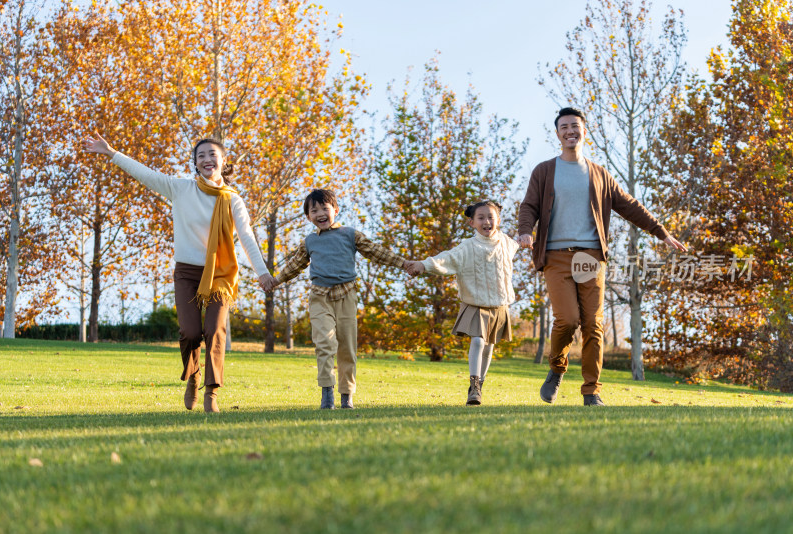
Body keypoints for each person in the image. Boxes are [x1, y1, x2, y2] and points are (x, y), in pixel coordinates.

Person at [83, 133, 273, 413]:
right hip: (187, 272)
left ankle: (211, 393)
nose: (207, 159)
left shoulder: (233, 199)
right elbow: (146, 174)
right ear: (196, 164)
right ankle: (193, 376)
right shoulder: (181, 188)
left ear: (223, 160)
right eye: (201, 156)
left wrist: (262, 273)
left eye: (212, 154)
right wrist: (112, 153)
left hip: (220, 274)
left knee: (215, 330)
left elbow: (246, 236)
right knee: (190, 332)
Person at [517, 107, 687, 406]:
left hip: (590, 257)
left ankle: (591, 391)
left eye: (575, 126)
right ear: (557, 134)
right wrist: (525, 231)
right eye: (564, 127)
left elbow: (629, 205)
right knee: (567, 320)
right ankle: (557, 367)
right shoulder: (544, 171)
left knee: (593, 324)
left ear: (585, 131)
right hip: (556, 255)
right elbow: (529, 206)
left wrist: (661, 232)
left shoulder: (599, 174)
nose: (570, 131)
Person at [267, 189, 410, 410]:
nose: (321, 213)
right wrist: (276, 281)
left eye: (325, 208)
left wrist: (403, 263)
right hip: (320, 297)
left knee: (347, 348)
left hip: (346, 296)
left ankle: (347, 395)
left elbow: (376, 252)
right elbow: (295, 266)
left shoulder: (350, 234)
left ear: (335, 210)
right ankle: (327, 394)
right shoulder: (310, 242)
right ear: (308, 217)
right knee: (324, 343)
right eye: (314, 210)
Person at [407, 201, 519, 406]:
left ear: (499, 220)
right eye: (481, 218)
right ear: (472, 223)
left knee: (489, 347)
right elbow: (446, 259)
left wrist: (531, 239)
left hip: (499, 304)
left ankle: (480, 385)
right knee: (477, 341)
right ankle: (474, 386)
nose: (487, 221)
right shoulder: (468, 247)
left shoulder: (507, 243)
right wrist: (423, 265)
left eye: (491, 217)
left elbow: (523, 243)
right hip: (475, 303)